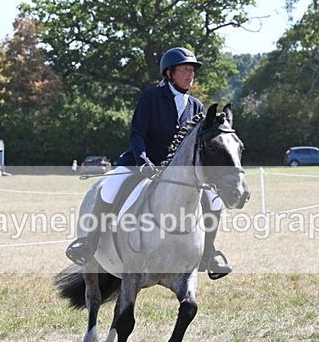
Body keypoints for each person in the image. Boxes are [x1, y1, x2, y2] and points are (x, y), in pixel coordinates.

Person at [65, 47, 233, 279]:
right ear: (169, 73)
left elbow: (197, 147)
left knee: (214, 199)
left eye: (192, 71)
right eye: (185, 70)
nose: (190, 75)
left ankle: (209, 253)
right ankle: (89, 243)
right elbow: (137, 133)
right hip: (141, 160)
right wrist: (143, 161)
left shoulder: (196, 106)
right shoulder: (151, 97)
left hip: (178, 172)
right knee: (109, 189)